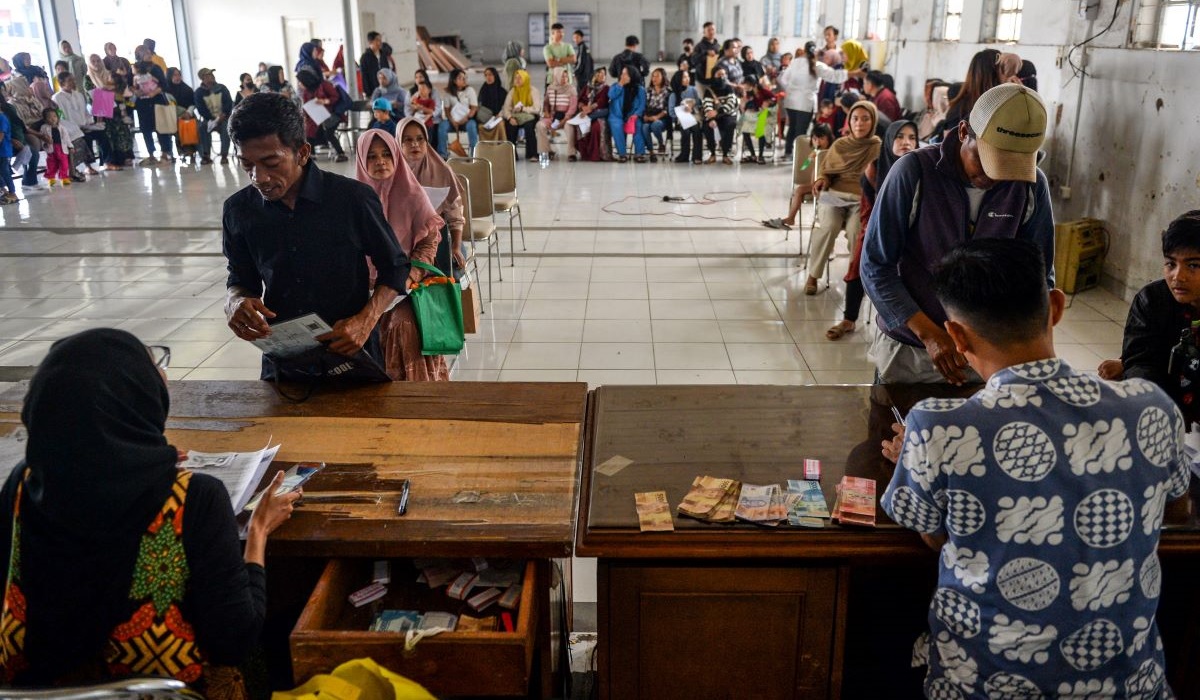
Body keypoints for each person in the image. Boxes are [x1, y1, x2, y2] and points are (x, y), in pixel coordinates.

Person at [880, 237, 1189, 700]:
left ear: (957, 337)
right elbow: (1178, 509)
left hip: (986, 683)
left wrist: (919, 455)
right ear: (1056, 307)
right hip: (1129, 683)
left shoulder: (939, 426)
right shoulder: (1150, 406)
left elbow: (934, 535)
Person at [0, 329, 301, 693]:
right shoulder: (193, 500)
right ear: (139, 400)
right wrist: (258, 531)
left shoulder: (23, 485)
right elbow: (234, 640)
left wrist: (135, 458)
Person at [861, 84, 1054, 385]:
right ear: (964, 132)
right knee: (898, 427)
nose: (994, 177)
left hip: (990, 352)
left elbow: (1039, 276)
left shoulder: (1031, 186)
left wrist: (1019, 347)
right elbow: (875, 266)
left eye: (1009, 167)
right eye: (985, 160)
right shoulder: (914, 172)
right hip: (910, 348)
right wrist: (931, 335)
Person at [223, 92, 410, 379]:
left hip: (351, 351)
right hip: (284, 362)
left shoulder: (352, 200)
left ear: (302, 152)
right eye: (247, 164)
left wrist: (366, 320)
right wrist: (235, 302)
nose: (258, 177)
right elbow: (241, 279)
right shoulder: (239, 210)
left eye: (271, 163)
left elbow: (395, 267)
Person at [355, 129, 450, 381]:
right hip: (362, 288)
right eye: (372, 157)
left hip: (406, 288)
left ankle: (412, 402)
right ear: (361, 161)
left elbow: (429, 245)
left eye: (386, 154)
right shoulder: (352, 199)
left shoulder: (413, 195)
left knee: (403, 327)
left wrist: (407, 279)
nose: (380, 162)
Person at [1098, 211, 1200, 422]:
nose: (1177, 277)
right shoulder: (1151, 300)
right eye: (1171, 264)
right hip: (1167, 407)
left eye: (1193, 265)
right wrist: (1153, 411)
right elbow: (1142, 364)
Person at [829, 119, 917, 340]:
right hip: (877, 226)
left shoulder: (921, 168)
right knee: (863, 257)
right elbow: (870, 211)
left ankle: (910, 323)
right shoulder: (875, 168)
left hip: (914, 230)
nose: (906, 142)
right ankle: (849, 319)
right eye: (900, 136)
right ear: (889, 139)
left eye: (912, 138)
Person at [804, 100, 880, 294]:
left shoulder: (877, 147)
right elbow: (826, 172)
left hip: (861, 199)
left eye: (865, 119)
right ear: (849, 121)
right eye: (855, 119)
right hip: (835, 196)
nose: (859, 124)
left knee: (858, 232)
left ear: (873, 121)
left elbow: (881, 178)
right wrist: (822, 180)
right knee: (829, 227)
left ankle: (854, 278)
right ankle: (813, 275)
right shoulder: (840, 144)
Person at [397, 117, 466, 273]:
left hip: (439, 237)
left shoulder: (442, 171)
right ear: (398, 143)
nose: (415, 144)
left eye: (420, 139)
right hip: (401, 238)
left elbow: (455, 216)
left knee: (452, 267)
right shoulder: (393, 174)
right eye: (408, 140)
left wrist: (456, 247)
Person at [778, 42, 850, 159]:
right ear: (815, 52)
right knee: (801, 131)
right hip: (805, 103)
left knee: (792, 127)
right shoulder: (816, 65)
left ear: (805, 50)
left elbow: (784, 79)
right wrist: (852, 74)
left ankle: (788, 152)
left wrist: (792, 89)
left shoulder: (795, 62)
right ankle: (798, 156)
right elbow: (833, 76)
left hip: (791, 101)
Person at [53, 72, 106, 176]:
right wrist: (77, 128)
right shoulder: (56, 98)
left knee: (103, 134)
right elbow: (60, 118)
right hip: (70, 129)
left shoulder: (79, 95)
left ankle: (107, 161)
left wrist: (90, 124)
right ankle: (87, 166)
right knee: (85, 137)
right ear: (62, 83)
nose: (73, 82)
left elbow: (86, 113)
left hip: (84, 125)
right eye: (70, 80)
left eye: (73, 79)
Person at [943, 48, 1001, 136]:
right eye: (1004, 68)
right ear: (996, 74)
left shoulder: (959, 106)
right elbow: (948, 146)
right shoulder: (963, 109)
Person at [295, 69, 348, 162]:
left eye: (300, 81)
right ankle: (311, 153)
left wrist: (324, 101)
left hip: (333, 114)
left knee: (329, 133)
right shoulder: (306, 92)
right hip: (317, 116)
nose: (299, 84)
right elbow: (307, 107)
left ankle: (341, 153)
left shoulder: (324, 85)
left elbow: (335, 97)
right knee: (309, 130)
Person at [132, 61, 172, 165]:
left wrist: (154, 92)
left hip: (156, 100)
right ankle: (151, 154)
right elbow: (133, 87)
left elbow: (162, 83)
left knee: (161, 127)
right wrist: (136, 91)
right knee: (145, 129)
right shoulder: (135, 77)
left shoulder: (155, 69)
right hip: (143, 103)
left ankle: (165, 153)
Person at [535, 67, 577, 161]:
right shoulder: (550, 88)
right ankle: (546, 151)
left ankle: (571, 153)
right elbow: (546, 103)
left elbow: (573, 108)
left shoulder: (571, 89)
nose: (564, 79)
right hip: (553, 117)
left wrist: (564, 120)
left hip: (566, 118)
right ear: (556, 77)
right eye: (562, 77)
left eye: (566, 77)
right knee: (540, 125)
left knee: (569, 126)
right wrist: (546, 111)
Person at [607, 66, 646, 164]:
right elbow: (611, 95)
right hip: (616, 115)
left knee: (637, 125)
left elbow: (642, 105)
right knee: (616, 125)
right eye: (622, 73)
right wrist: (620, 84)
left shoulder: (639, 89)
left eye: (626, 74)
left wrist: (636, 114)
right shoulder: (616, 86)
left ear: (632, 75)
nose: (623, 76)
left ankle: (639, 153)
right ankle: (622, 154)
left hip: (632, 115)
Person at [194, 67, 232, 165]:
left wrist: (223, 114)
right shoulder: (199, 92)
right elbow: (201, 109)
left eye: (211, 75)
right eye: (208, 76)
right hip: (209, 119)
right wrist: (213, 119)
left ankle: (224, 155)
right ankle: (205, 155)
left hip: (223, 117)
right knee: (202, 128)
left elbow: (228, 103)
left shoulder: (222, 88)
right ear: (203, 78)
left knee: (226, 127)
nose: (211, 77)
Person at [701, 67, 739, 165]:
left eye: (723, 75)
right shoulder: (709, 90)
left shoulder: (729, 88)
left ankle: (725, 155)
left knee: (730, 125)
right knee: (707, 126)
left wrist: (718, 111)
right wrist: (712, 119)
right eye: (719, 75)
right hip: (714, 116)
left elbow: (731, 103)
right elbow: (707, 106)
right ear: (713, 76)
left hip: (727, 115)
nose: (722, 77)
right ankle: (712, 155)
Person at [572, 67, 610, 162]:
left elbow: (602, 102)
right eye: (599, 73)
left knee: (596, 127)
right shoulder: (587, 87)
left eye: (603, 74)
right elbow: (580, 100)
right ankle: (585, 154)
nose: (602, 76)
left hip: (598, 114)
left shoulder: (606, 88)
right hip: (585, 112)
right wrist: (583, 107)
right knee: (581, 126)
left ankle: (596, 155)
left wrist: (590, 108)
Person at [439, 68, 479, 158]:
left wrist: (465, 119)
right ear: (453, 80)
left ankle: (474, 153)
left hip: (467, 119)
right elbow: (447, 110)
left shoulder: (470, 90)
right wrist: (453, 121)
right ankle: (442, 154)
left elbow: (474, 108)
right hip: (452, 120)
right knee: (442, 127)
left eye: (465, 77)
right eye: (460, 78)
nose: (464, 80)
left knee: (472, 126)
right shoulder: (448, 93)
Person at [502, 69, 539, 161]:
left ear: (525, 79)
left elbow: (537, 109)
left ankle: (532, 154)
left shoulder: (533, 90)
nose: (517, 80)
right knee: (510, 126)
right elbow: (506, 108)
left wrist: (523, 109)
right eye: (516, 78)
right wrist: (510, 117)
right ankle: (512, 154)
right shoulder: (512, 91)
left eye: (520, 78)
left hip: (530, 116)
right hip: (516, 116)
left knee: (529, 126)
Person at [165, 68, 198, 164]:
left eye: (178, 75)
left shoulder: (187, 89)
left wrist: (188, 113)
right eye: (174, 75)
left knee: (190, 126)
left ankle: (191, 152)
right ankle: (182, 152)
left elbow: (193, 103)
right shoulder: (166, 90)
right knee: (176, 127)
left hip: (188, 115)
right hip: (172, 117)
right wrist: (176, 116)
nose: (177, 77)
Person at [669, 67, 702, 164]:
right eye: (684, 77)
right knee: (686, 131)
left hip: (694, 116)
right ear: (679, 79)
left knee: (697, 130)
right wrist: (682, 110)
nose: (687, 79)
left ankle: (697, 156)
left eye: (688, 77)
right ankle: (684, 155)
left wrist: (692, 107)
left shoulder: (693, 90)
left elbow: (699, 105)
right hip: (680, 119)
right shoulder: (674, 94)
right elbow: (671, 112)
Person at [405, 78, 443, 155]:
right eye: (419, 89)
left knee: (428, 141)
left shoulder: (431, 101)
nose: (421, 90)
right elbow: (411, 106)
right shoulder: (416, 100)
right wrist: (414, 105)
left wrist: (421, 107)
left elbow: (431, 111)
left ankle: (428, 154)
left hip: (428, 124)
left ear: (429, 90)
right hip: (418, 124)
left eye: (423, 88)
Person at [39, 107, 74, 187]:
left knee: (64, 163)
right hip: (51, 149)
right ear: (45, 119)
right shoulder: (44, 127)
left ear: (58, 118)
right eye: (49, 117)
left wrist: (70, 146)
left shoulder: (62, 128)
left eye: (54, 116)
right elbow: (42, 137)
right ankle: (51, 178)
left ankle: (64, 177)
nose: (52, 119)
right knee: (51, 164)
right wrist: (45, 143)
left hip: (62, 148)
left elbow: (67, 138)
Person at [641, 67, 670, 161]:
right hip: (649, 115)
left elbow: (667, 109)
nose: (654, 78)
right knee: (645, 127)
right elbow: (644, 105)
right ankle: (651, 152)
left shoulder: (668, 92)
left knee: (655, 125)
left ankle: (661, 144)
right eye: (653, 76)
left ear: (663, 77)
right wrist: (645, 116)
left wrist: (656, 117)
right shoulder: (648, 90)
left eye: (657, 76)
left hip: (662, 118)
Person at [476, 66, 508, 142]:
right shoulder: (483, 90)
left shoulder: (502, 91)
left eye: (490, 75)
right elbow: (479, 105)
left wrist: (499, 115)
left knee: (500, 124)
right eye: (486, 75)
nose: (488, 77)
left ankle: (501, 148)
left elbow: (506, 107)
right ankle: (486, 150)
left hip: (499, 117)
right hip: (485, 118)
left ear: (495, 76)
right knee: (481, 127)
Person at [359, 31, 384, 98]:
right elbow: (364, 77)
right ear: (370, 42)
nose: (380, 43)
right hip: (372, 92)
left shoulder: (383, 55)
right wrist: (368, 93)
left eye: (380, 40)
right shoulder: (365, 58)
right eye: (377, 40)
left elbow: (388, 72)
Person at [0, 106, 17, 204]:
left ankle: (12, 192)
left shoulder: (2, 118)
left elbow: (1, 136)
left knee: (5, 172)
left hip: (4, 151)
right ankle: (3, 190)